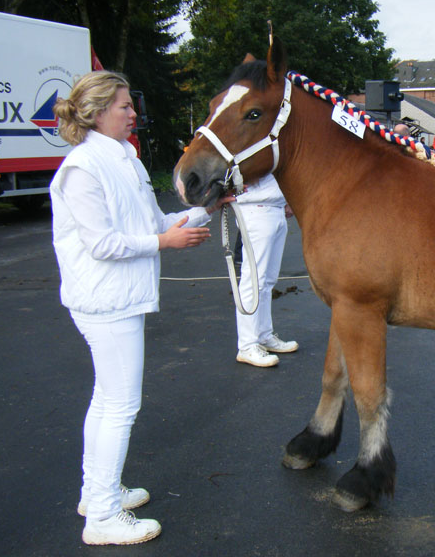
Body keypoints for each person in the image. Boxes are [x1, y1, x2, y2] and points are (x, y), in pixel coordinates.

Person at [49, 70, 227, 546]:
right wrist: (164, 242)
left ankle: (98, 493)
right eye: (125, 106)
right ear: (98, 111)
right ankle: (103, 515)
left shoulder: (123, 158)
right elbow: (104, 243)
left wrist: (208, 209)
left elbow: (153, 222)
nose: (133, 113)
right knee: (120, 405)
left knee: (108, 400)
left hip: (118, 296)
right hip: (104, 299)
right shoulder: (83, 168)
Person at [233, 174, 298, 367]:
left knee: (267, 281)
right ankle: (247, 345)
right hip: (255, 208)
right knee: (253, 279)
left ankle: (263, 335)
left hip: (275, 207)